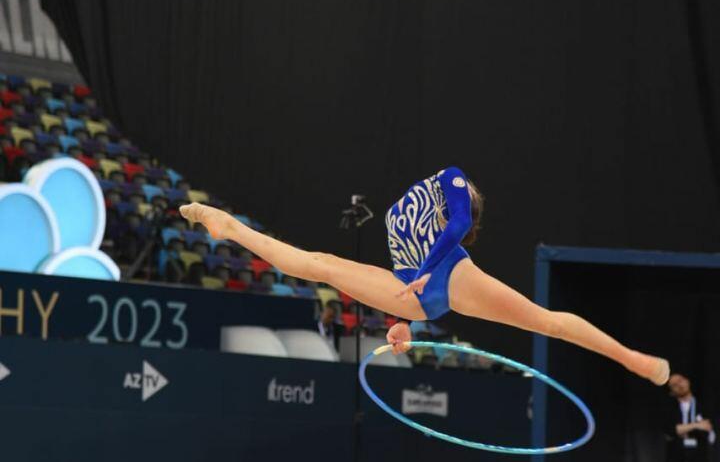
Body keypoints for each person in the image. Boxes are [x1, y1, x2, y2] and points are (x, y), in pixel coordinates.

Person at [180, 165, 669, 385]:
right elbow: (405, 271)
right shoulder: (421, 202)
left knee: (545, 322)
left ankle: (632, 359)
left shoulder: (455, 190)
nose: (465, 196)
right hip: (414, 285)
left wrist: (428, 275)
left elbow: (457, 225)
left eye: (468, 202)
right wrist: (403, 323)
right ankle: (229, 227)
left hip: (451, 274)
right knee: (321, 264)